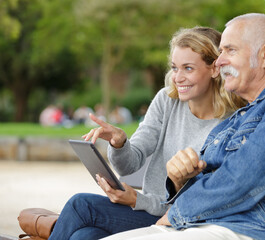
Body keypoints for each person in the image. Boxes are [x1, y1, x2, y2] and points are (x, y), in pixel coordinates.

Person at [100, 13, 265, 240]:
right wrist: (177, 180)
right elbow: (207, 178)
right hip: (214, 225)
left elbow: (241, 180)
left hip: (259, 231)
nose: (221, 60)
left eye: (230, 50)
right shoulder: (244, 115)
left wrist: (174, 215)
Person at [48, 26, 245, 240]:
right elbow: (130, 164)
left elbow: (198, 203)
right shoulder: (167, 100)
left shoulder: (232, 123)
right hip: (149, 212)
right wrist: (119, 143)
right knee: (84, 236)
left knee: (81, 205)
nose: (177, 77)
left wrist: (137, 200)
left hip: (181, 224)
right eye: (175, 68)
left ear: (215, 69)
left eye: (188, 68)